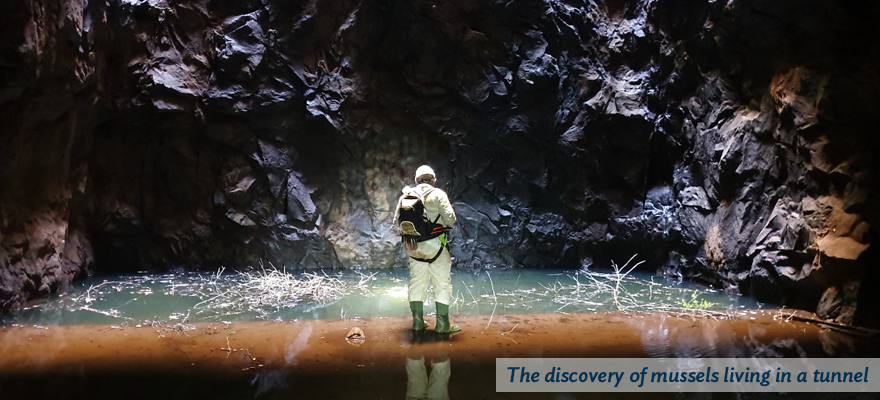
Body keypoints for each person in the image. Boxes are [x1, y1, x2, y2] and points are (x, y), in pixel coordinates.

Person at [393, 165, 460, 333]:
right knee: (442, 284)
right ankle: (443, 325)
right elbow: (450, 219)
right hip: (436, 246)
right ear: (433, 180)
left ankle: (417, 322)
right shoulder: (438, 194)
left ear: (416, 180)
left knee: (417, 283)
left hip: (413, 248)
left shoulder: (406, 196)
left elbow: (396, 221)